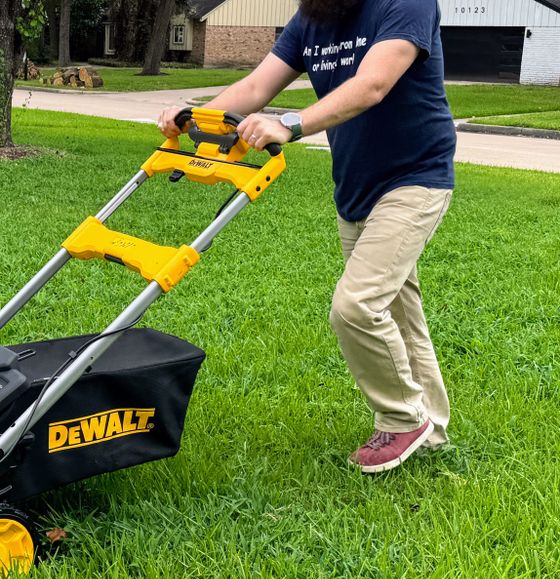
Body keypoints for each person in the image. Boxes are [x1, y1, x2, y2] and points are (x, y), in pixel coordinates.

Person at [159, 0, 455, 473]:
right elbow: (256, 85)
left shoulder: (406, 2)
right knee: (398, 308)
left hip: (415, 179)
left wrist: (290, 123)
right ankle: (433, 429)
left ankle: (401, 419)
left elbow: (373, 84)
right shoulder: (311, 18)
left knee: (357, 306)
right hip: (356, 185)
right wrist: (195, 117)